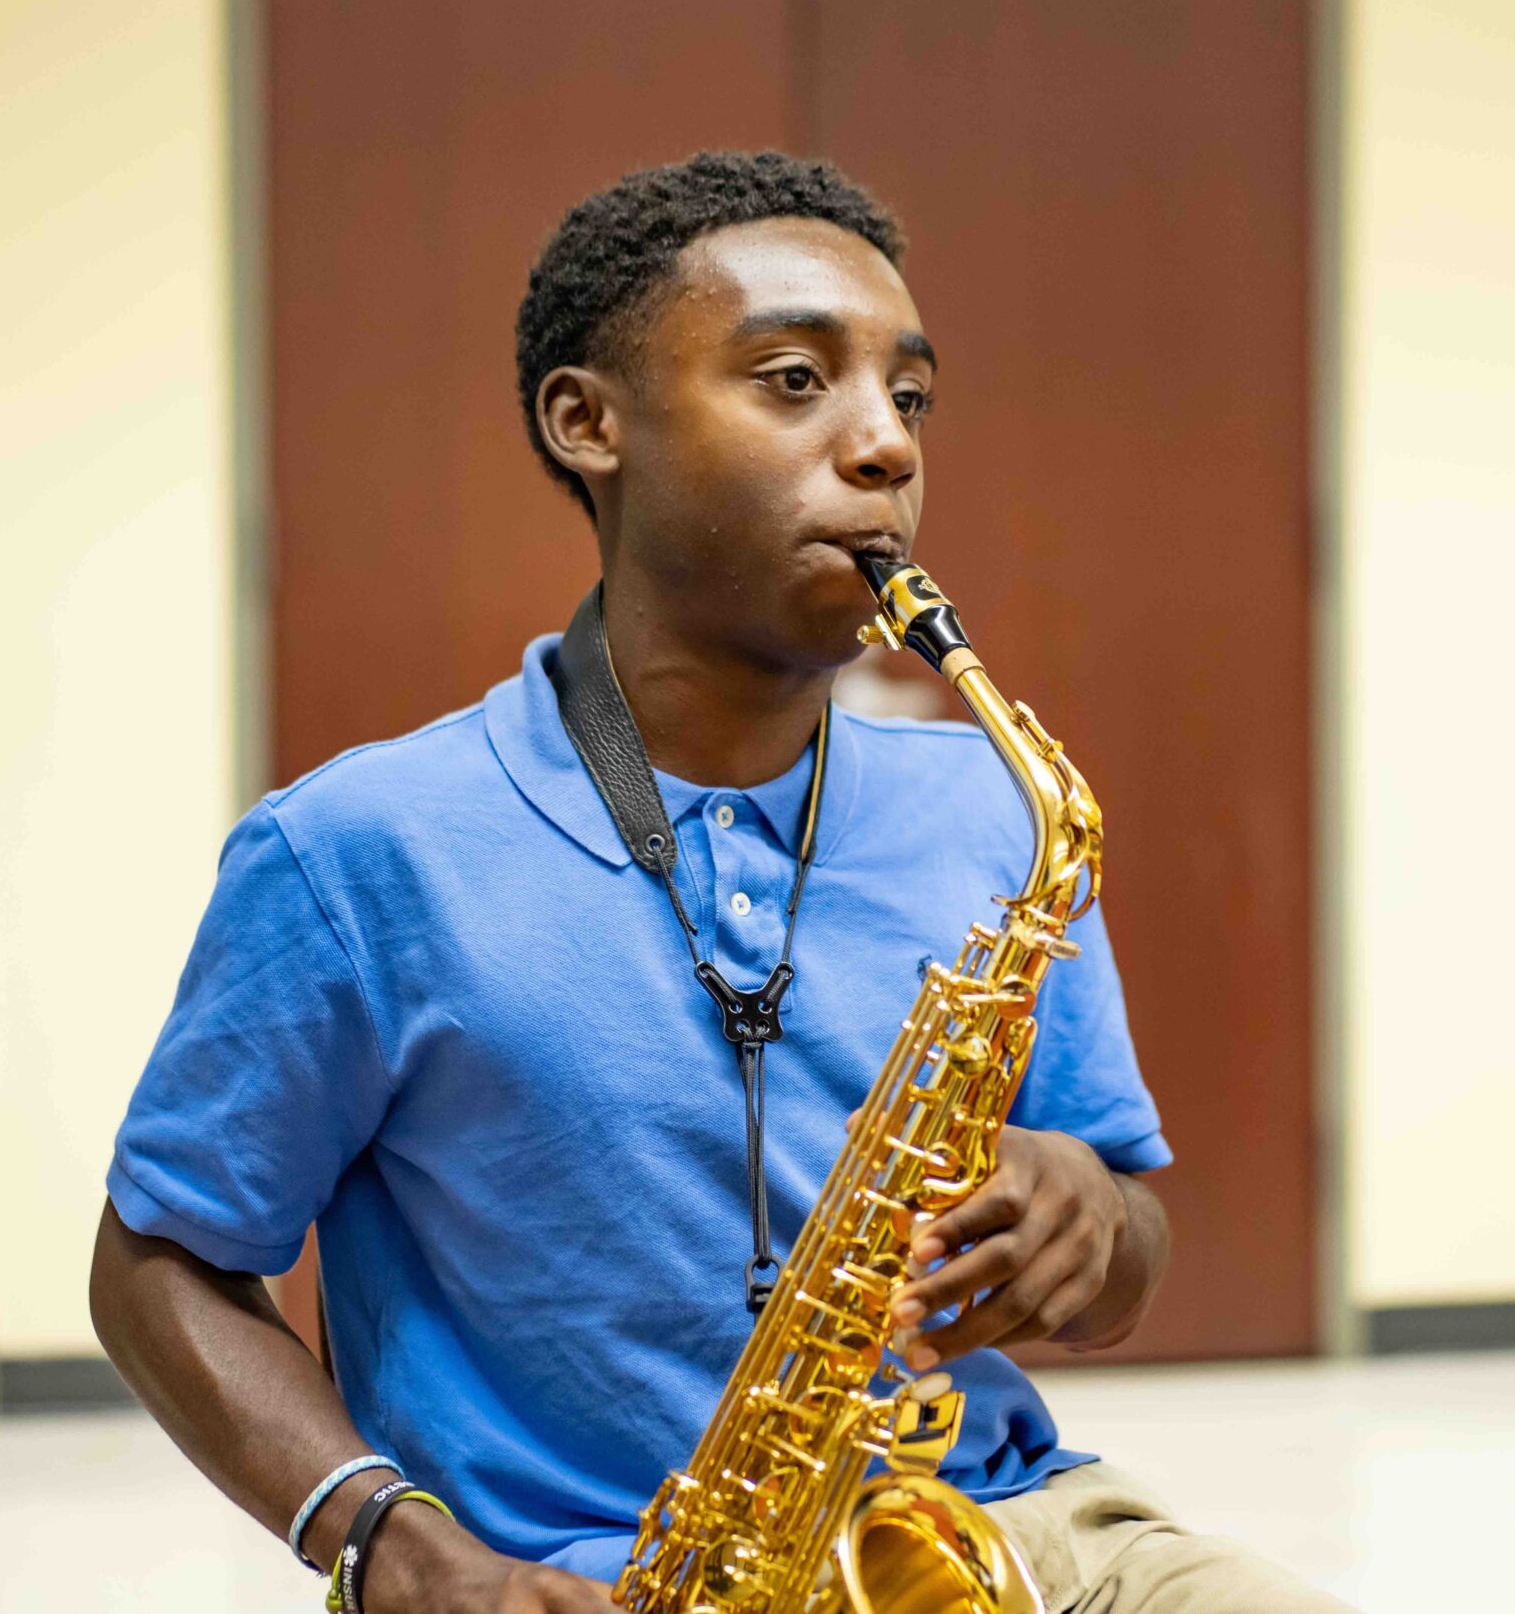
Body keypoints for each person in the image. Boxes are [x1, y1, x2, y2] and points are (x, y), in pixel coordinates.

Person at [91, 150, 1351, 1614]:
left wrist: (1089, 1211)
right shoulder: (359, 850)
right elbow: (157, 1267)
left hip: (993, 1530)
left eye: (911, 395)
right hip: (588, 1581)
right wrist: (391, 1543)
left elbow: (1130, 1247)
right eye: (796, 379)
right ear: (588, 424)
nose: (885, 445)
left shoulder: (994, 810)